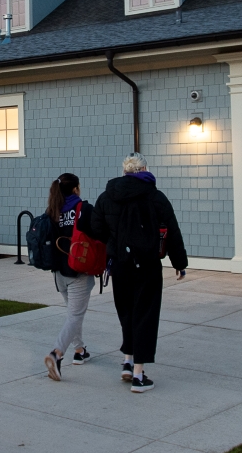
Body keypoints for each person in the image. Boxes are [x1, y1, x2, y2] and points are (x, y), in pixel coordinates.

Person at [92, 152, 187, 393]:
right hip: (147, 264)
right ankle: (138, 374)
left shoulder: (107, 196)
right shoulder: (155, 197)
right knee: (145, 314)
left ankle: (127, 360)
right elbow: (172, 230)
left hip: (120, 264)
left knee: (126, 312)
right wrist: (179, 262)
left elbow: (97, 229)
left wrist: (113, 246)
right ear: (144, 169)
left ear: (124, 170)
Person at [42, 173, 100, 381]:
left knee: (73, 314)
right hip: (79, 270)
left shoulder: (52, 211)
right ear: (76, 188)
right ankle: (56, 353)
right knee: (75, 315)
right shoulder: (83, 209)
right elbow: (99, 233)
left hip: (59, 272)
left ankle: (80, 350)